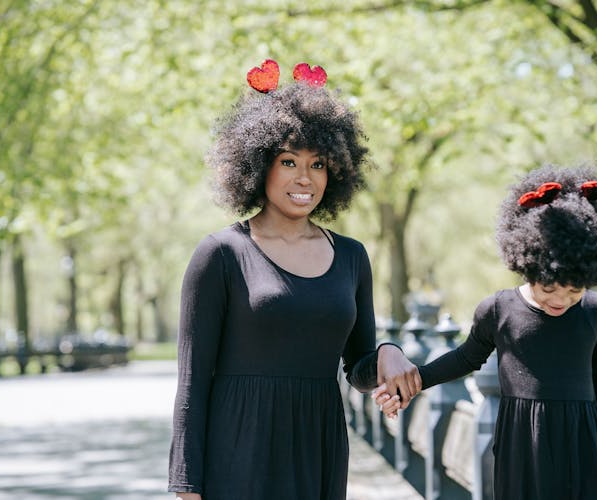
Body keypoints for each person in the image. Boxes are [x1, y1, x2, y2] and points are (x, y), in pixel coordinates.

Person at [168, 59, 421, 500]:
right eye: (288, 161)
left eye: (318, 164)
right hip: (238, 451)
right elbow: (192, 381)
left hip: (318, 445)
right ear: (258, 164)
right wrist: (186, 487)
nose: (305, 178)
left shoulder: (352, 257)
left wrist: (388, 353)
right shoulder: (220, 254)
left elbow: (358, 367)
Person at [375, 164, 597, 499]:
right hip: (523, 444)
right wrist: (411, 384)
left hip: (583, 443)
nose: (561, 300)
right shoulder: (499, 310)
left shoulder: (595, 311)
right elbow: (465, 358)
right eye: (549, 287)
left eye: (575, 290)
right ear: (528, 263)